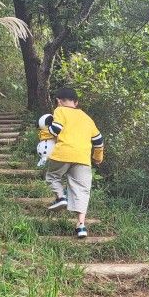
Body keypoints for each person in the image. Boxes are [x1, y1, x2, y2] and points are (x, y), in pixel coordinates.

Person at [42, 87, 104, 238]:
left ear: (58, 101)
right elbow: (98, 140)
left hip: (63, 152)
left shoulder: (60, 111)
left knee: (53, 176)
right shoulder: (87, 118)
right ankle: (81, 226)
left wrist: (43, 131)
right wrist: (98, 158)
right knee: (82, 190)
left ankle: (61, 197)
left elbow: (56, 129)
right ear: (76, 102)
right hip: (82, 157)